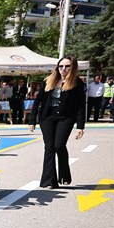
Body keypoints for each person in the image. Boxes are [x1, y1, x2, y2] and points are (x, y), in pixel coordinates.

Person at [29, 56, 86, 189]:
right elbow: (38, 101)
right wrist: (32, 120)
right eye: (61, 66)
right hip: (47, 118)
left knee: (59, 145)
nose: (63, 69)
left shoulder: (77, 83)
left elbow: (81, 106)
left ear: (73, 67)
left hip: (66, 118)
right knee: (49, 147)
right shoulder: (49, 81)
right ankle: (49, 181)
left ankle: (64, 175)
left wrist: (80, 125)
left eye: (67, 66)